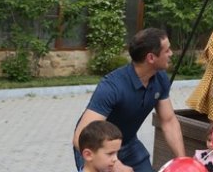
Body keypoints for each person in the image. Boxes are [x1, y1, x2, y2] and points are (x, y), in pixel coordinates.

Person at [73, 28, 185, 172]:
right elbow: (79, 137)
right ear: (151, 58)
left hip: (128, 142)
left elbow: (168, 121)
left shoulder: (160, 78)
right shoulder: (112, 87)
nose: (171, 54)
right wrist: (115, 165)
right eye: (167, 50)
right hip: (99, 149)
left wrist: (183, 161)